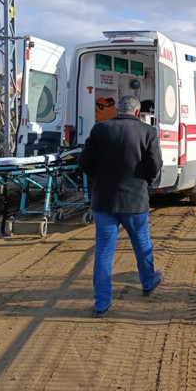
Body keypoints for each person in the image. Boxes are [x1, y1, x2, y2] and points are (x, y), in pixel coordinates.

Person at [79, 94, 164, 318]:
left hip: (104, 201)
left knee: (103, 252)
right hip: (135, 201)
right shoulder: (147, 132)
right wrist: (146, 181)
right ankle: (148, 283)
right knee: (142, 244)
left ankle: (101, 304)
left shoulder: (100, 129)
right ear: (137, 112)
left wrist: (98, 179)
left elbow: (84, 162)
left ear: (117, 110)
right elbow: (154, 165)